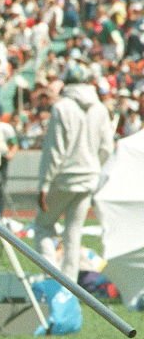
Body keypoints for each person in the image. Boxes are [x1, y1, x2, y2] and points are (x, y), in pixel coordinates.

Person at [34, 57, 115, 283]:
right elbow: (107, 147)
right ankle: (69, 286)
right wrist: (93, 166)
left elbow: (54, 151)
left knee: (43, 226)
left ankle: (51, 277)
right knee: (73, 233)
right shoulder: (99, 108)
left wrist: (43, 184)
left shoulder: (62, 107)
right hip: (88, 177)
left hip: (63, 177)